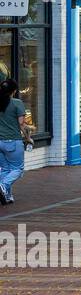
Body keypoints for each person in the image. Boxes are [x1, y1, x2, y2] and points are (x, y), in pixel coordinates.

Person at [0, 78, 33, 206]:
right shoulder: (16, 103)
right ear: (14, 91)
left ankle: (7, 196)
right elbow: (22, 124)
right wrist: (28, 138)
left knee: (5, 169)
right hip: (12, 142)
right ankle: (3, 185)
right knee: (18, 169)